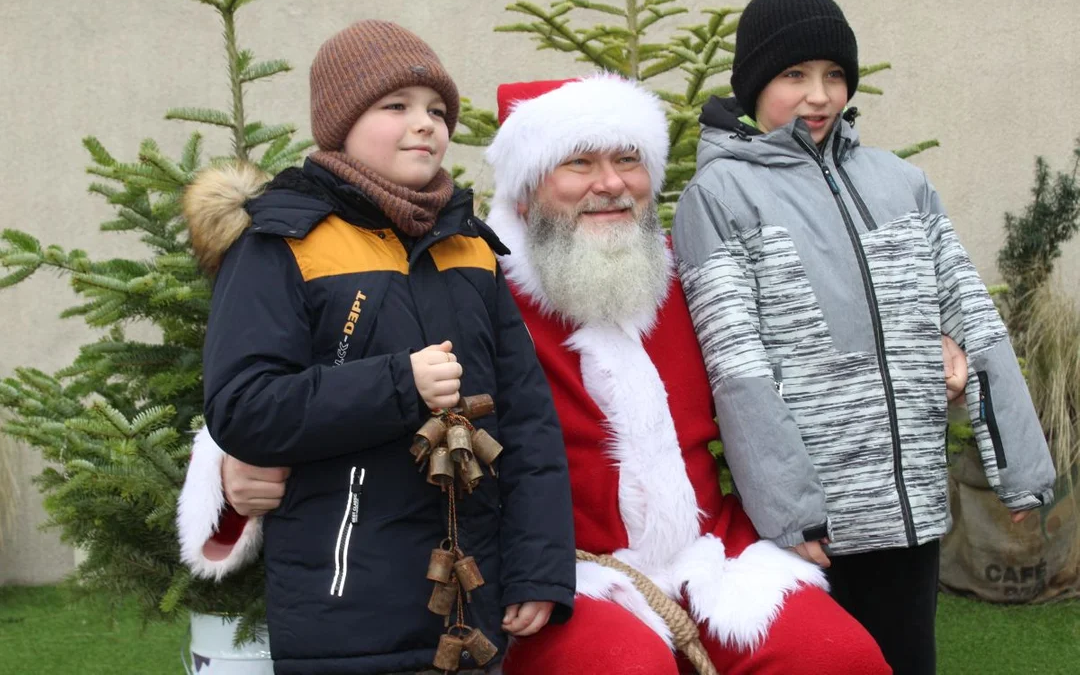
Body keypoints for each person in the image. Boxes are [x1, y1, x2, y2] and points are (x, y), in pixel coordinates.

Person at [185, 73, 909, 674]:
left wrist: (928, 339)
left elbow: (795, 365)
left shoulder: (685, 280)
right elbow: (297, 373)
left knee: (838, 654)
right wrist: (225, 470)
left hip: (710, 556)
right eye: (580, 165)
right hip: (565, 569)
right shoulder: (473, 273)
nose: (610, 186)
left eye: (628, 162)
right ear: (530, 189)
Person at [672, 0, 1058, 675]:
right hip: (817, 527)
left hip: (912, 511)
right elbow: (739, 367)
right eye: (794, 75)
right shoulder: (720, 197)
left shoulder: (901, 183)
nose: (818, 95)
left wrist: (1023, 471)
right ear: (755, 84)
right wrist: (791, 516)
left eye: (833, 75)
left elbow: (974, 317)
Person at [178, 20, 576, 674]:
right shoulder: (281, 243)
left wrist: (539, 569)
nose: (425, 124)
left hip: (471, 615)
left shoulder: (470, 247)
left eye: (437, 110)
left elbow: (527, 420)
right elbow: (246, 406)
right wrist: (400, 385)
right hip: (348, 616)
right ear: (340, 123)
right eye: (396, 106)